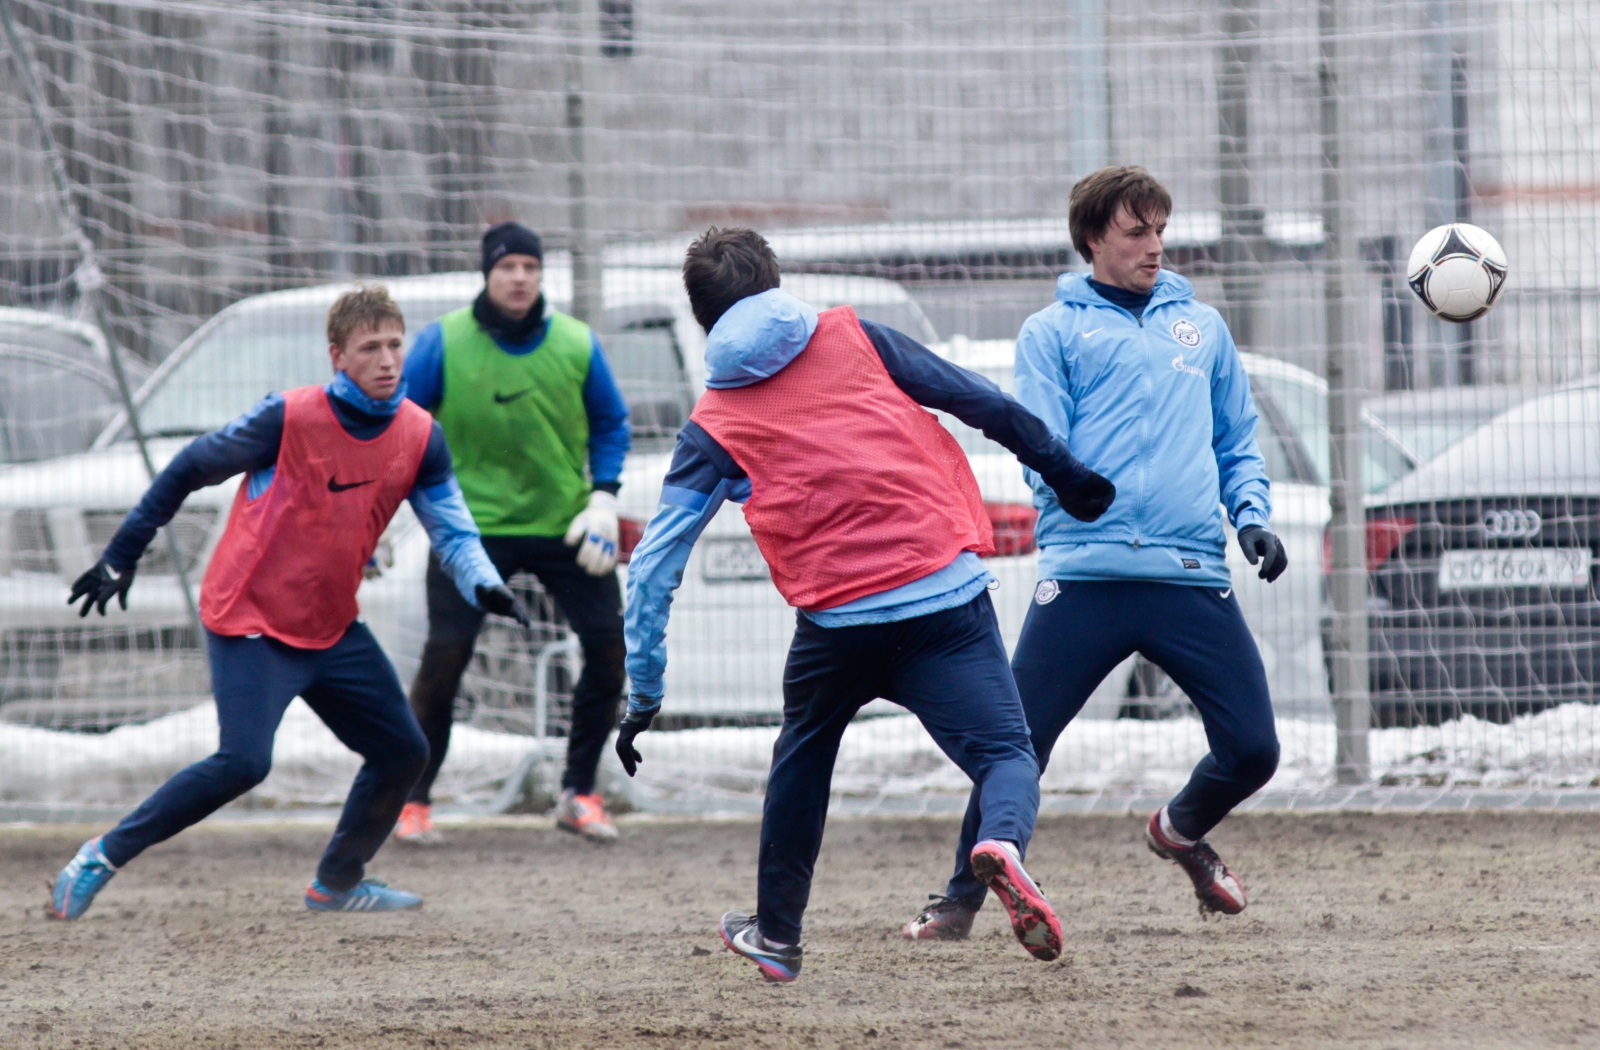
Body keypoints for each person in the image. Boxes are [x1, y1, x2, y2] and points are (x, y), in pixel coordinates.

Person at [615, 227, 1116, 982]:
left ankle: (778, 936)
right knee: (1006, 753)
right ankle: (1003, 845)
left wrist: (645, 692)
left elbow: (654, 564)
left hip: (835, 627)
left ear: (703, 319)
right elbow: (981, 402)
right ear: (776, 281)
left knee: (803, 759)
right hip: (943, 601)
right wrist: (1067, 471)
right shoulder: (857, 336)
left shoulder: (714, 422)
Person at [50, 286, 530, 919]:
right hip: (250, 617)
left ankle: (336, 882)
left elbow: (453, 528)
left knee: (403, 751)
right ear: (338, 356)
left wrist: (483, 583)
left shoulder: (419, 434)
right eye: (369, 348)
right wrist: (122, 552)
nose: (387, 360)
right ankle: (100, 855)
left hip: (330, 625)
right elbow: (188, 466)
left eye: (394, 345)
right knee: (243, 762)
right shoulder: (289, 417)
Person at [904, 166, 1286, 942]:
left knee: (1254, 749)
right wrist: (1070, 489)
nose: (1155, 247)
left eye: (1160, 231)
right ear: (1093, 239)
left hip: (1189, 575)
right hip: (1085, 574)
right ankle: (957, 902)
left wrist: (1252, 517)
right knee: (1016, 749)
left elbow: (1235, 441)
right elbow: (1037, 439)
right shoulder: (1053, 332)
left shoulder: (1202, 329)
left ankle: (1178, 830)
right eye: (1136, 232)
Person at [396, 222, 632, 844]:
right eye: (508, 267)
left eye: (530, 265)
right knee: (444, 660)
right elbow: (402, 428)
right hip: (470, 533)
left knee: (610, 649)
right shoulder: (441, 343)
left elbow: (612, 423)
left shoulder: (578, 344)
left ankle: (579, 792)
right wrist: (387, 513)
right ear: (487, 273)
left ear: (541, 274)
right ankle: (411, 800)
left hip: (565, 526)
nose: (519, 277)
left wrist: (604, 496)